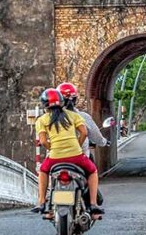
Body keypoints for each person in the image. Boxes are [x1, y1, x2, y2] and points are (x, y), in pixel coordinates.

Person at [31, 88, 103, 216]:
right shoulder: (74, 116)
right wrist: (78, 145)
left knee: (43, 170)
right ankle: (93, 204)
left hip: (54, 158)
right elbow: (85, 133)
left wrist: (51, 148)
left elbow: (42, 141)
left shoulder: (42, 120)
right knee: (92, 171)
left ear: (44, 104)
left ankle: (41, 201)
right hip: (76, 156)